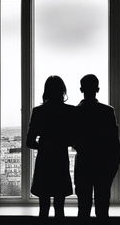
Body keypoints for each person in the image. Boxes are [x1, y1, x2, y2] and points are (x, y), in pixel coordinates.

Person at [26, 76, 75, 218]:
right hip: (60, 161)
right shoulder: (70, 111)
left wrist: (43, 146)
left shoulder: (38, 112)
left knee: (43, 207)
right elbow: (75, 139)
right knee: (60, 208)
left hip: (44, 162)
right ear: (63, 91)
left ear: (46, 91)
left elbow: (29, 142)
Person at [74, 74, 120, 218]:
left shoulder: (75, 112)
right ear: (98, 89)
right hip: (103, 166)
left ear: (81, 89)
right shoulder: (107, 111)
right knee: (102, 210)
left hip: (83, 165)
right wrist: (113, 167)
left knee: (83, 209)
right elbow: (114, 142)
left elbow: (73, 140)